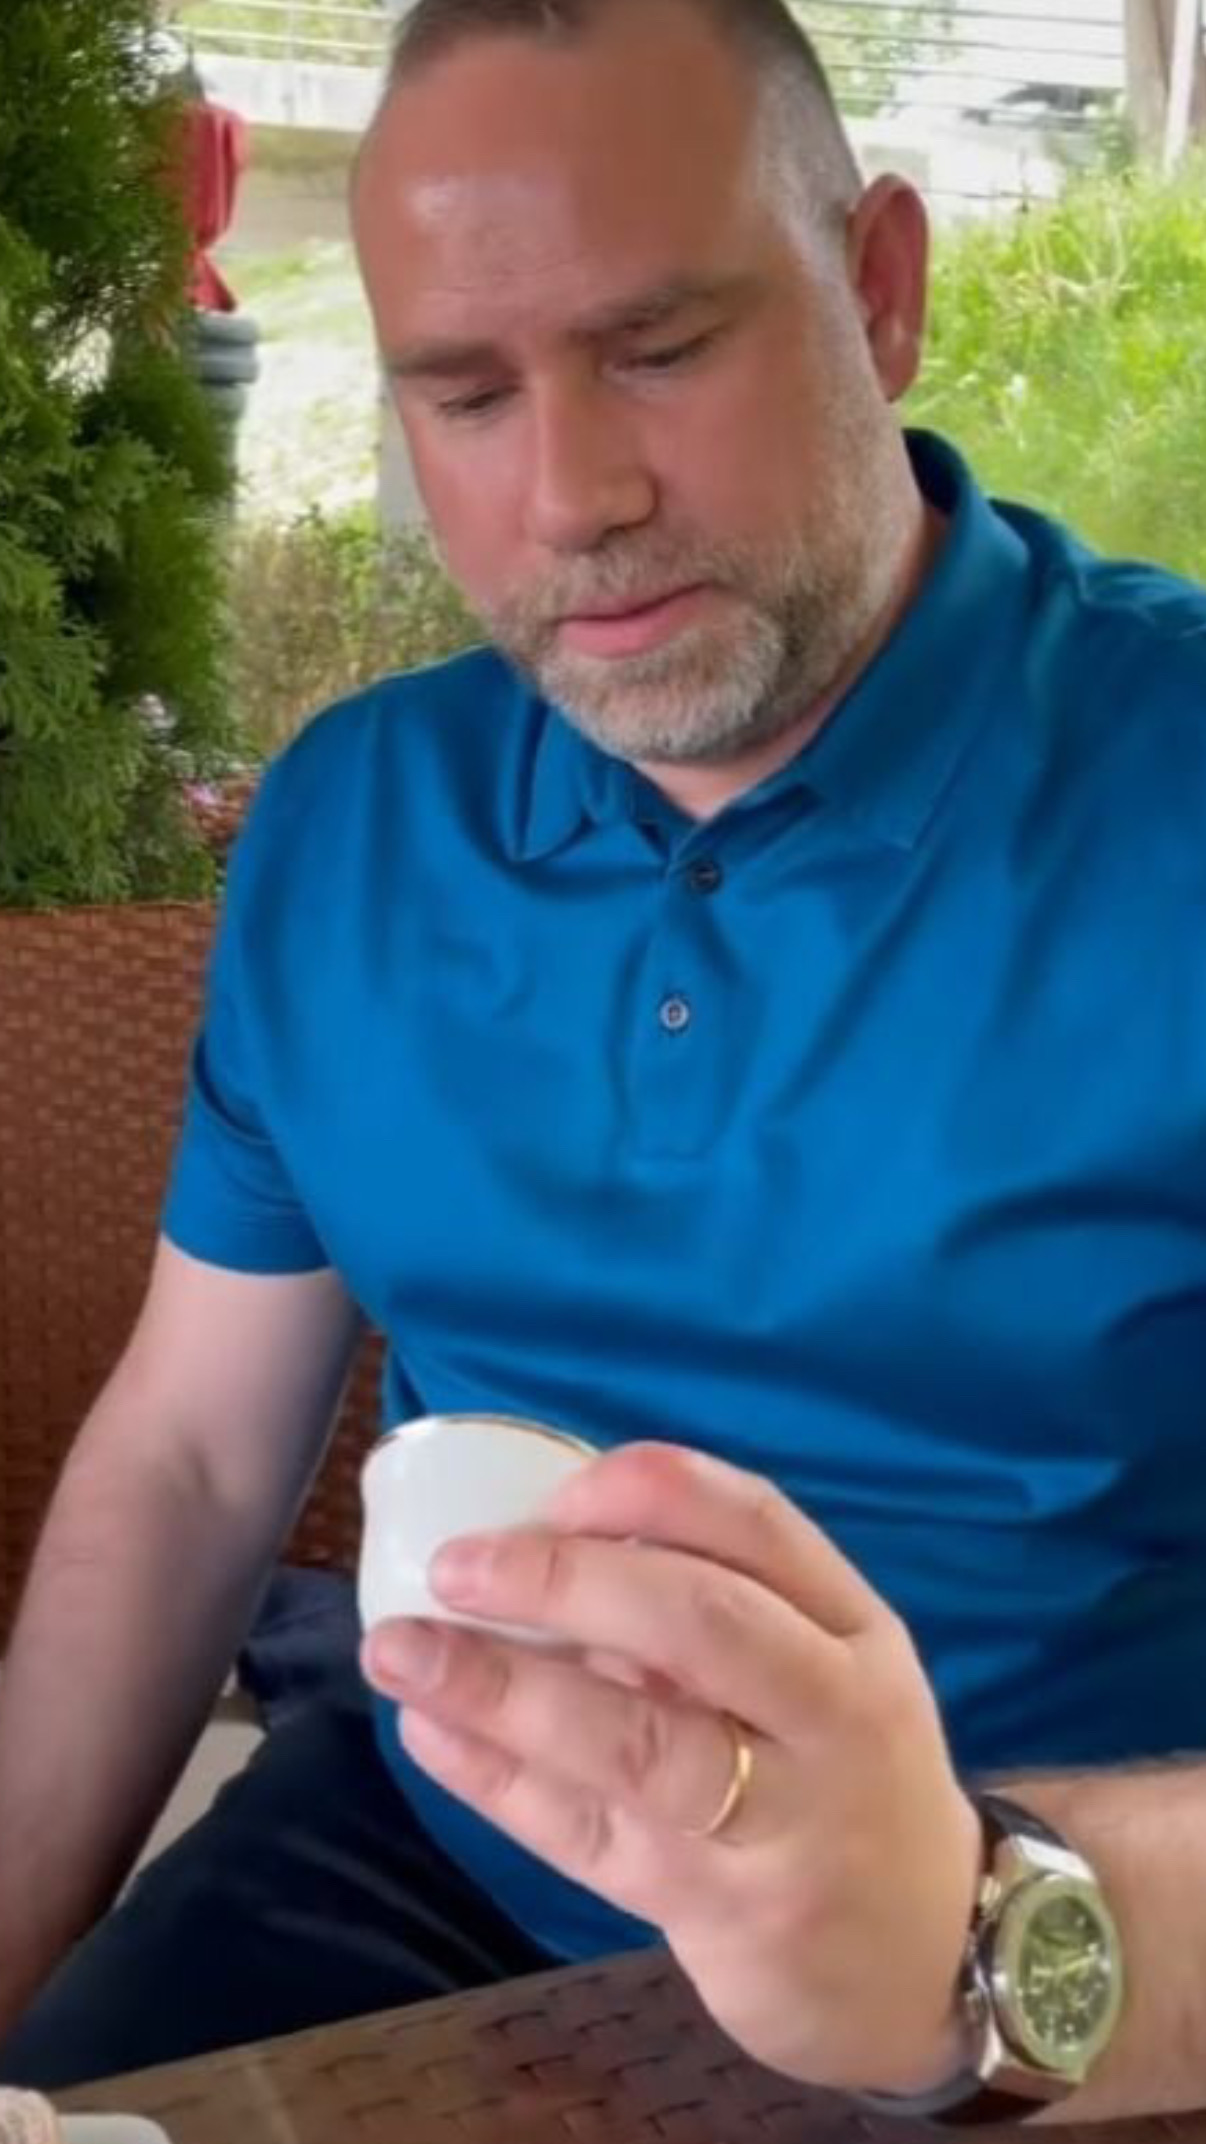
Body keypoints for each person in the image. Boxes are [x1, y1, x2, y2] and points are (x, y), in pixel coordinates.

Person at [3, 0, 1206, 2117]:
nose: (572, 497)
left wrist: (974, 1933)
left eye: (659, 348)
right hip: (432, 1859)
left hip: (1064, 1937)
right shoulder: (352, 823)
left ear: (881, 290)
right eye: (465, 393)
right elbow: (189, 1459)